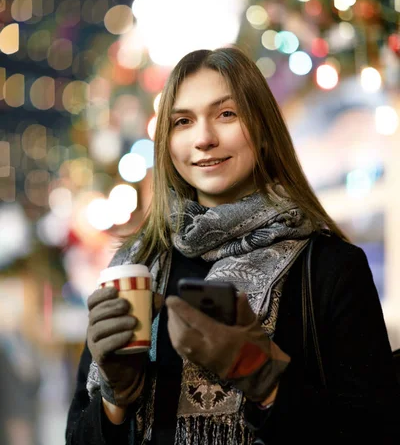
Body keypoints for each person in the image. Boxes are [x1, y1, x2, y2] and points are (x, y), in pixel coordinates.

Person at [66, 47, 400, 445]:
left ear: (261, 128)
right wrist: (114, 403)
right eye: (183, 121)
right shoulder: (135, 269)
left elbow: (376, 434)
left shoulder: (329, 268)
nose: (204, 138)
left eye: (226, 114)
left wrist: (265, 378)